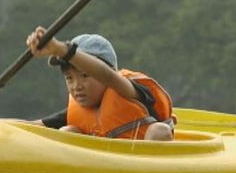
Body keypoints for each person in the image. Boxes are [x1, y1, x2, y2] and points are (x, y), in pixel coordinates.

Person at [25, 28, 175, 141]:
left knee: (159, 131)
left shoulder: (128, 90)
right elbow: (31, 126)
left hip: (143, 166)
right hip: (103, 169)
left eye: (84, 75)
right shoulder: (77, 110)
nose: (77, 86)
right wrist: (1, 126)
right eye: (69, 78)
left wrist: (62, 50)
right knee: (67, 131)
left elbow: (107, 76)